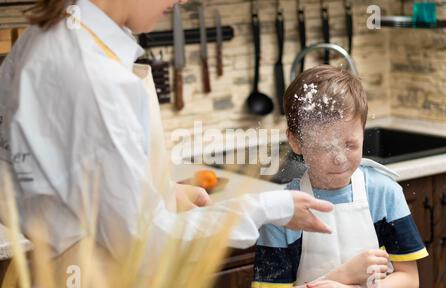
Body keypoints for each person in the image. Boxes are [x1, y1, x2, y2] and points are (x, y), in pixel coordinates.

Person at [0, 0, 334, 269]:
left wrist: (155, 191)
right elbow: (145, 244)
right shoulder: (97, 76)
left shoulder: (46, 34)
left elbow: (49, 171)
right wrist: (265, 207)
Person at [251, 65, 428, 288]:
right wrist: (341, 276)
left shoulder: (384, 193)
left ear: (363, 132)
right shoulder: (282, 211)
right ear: (296, 142)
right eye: (325, 146)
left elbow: (409, 279)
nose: (339, 159)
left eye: (350, 145)